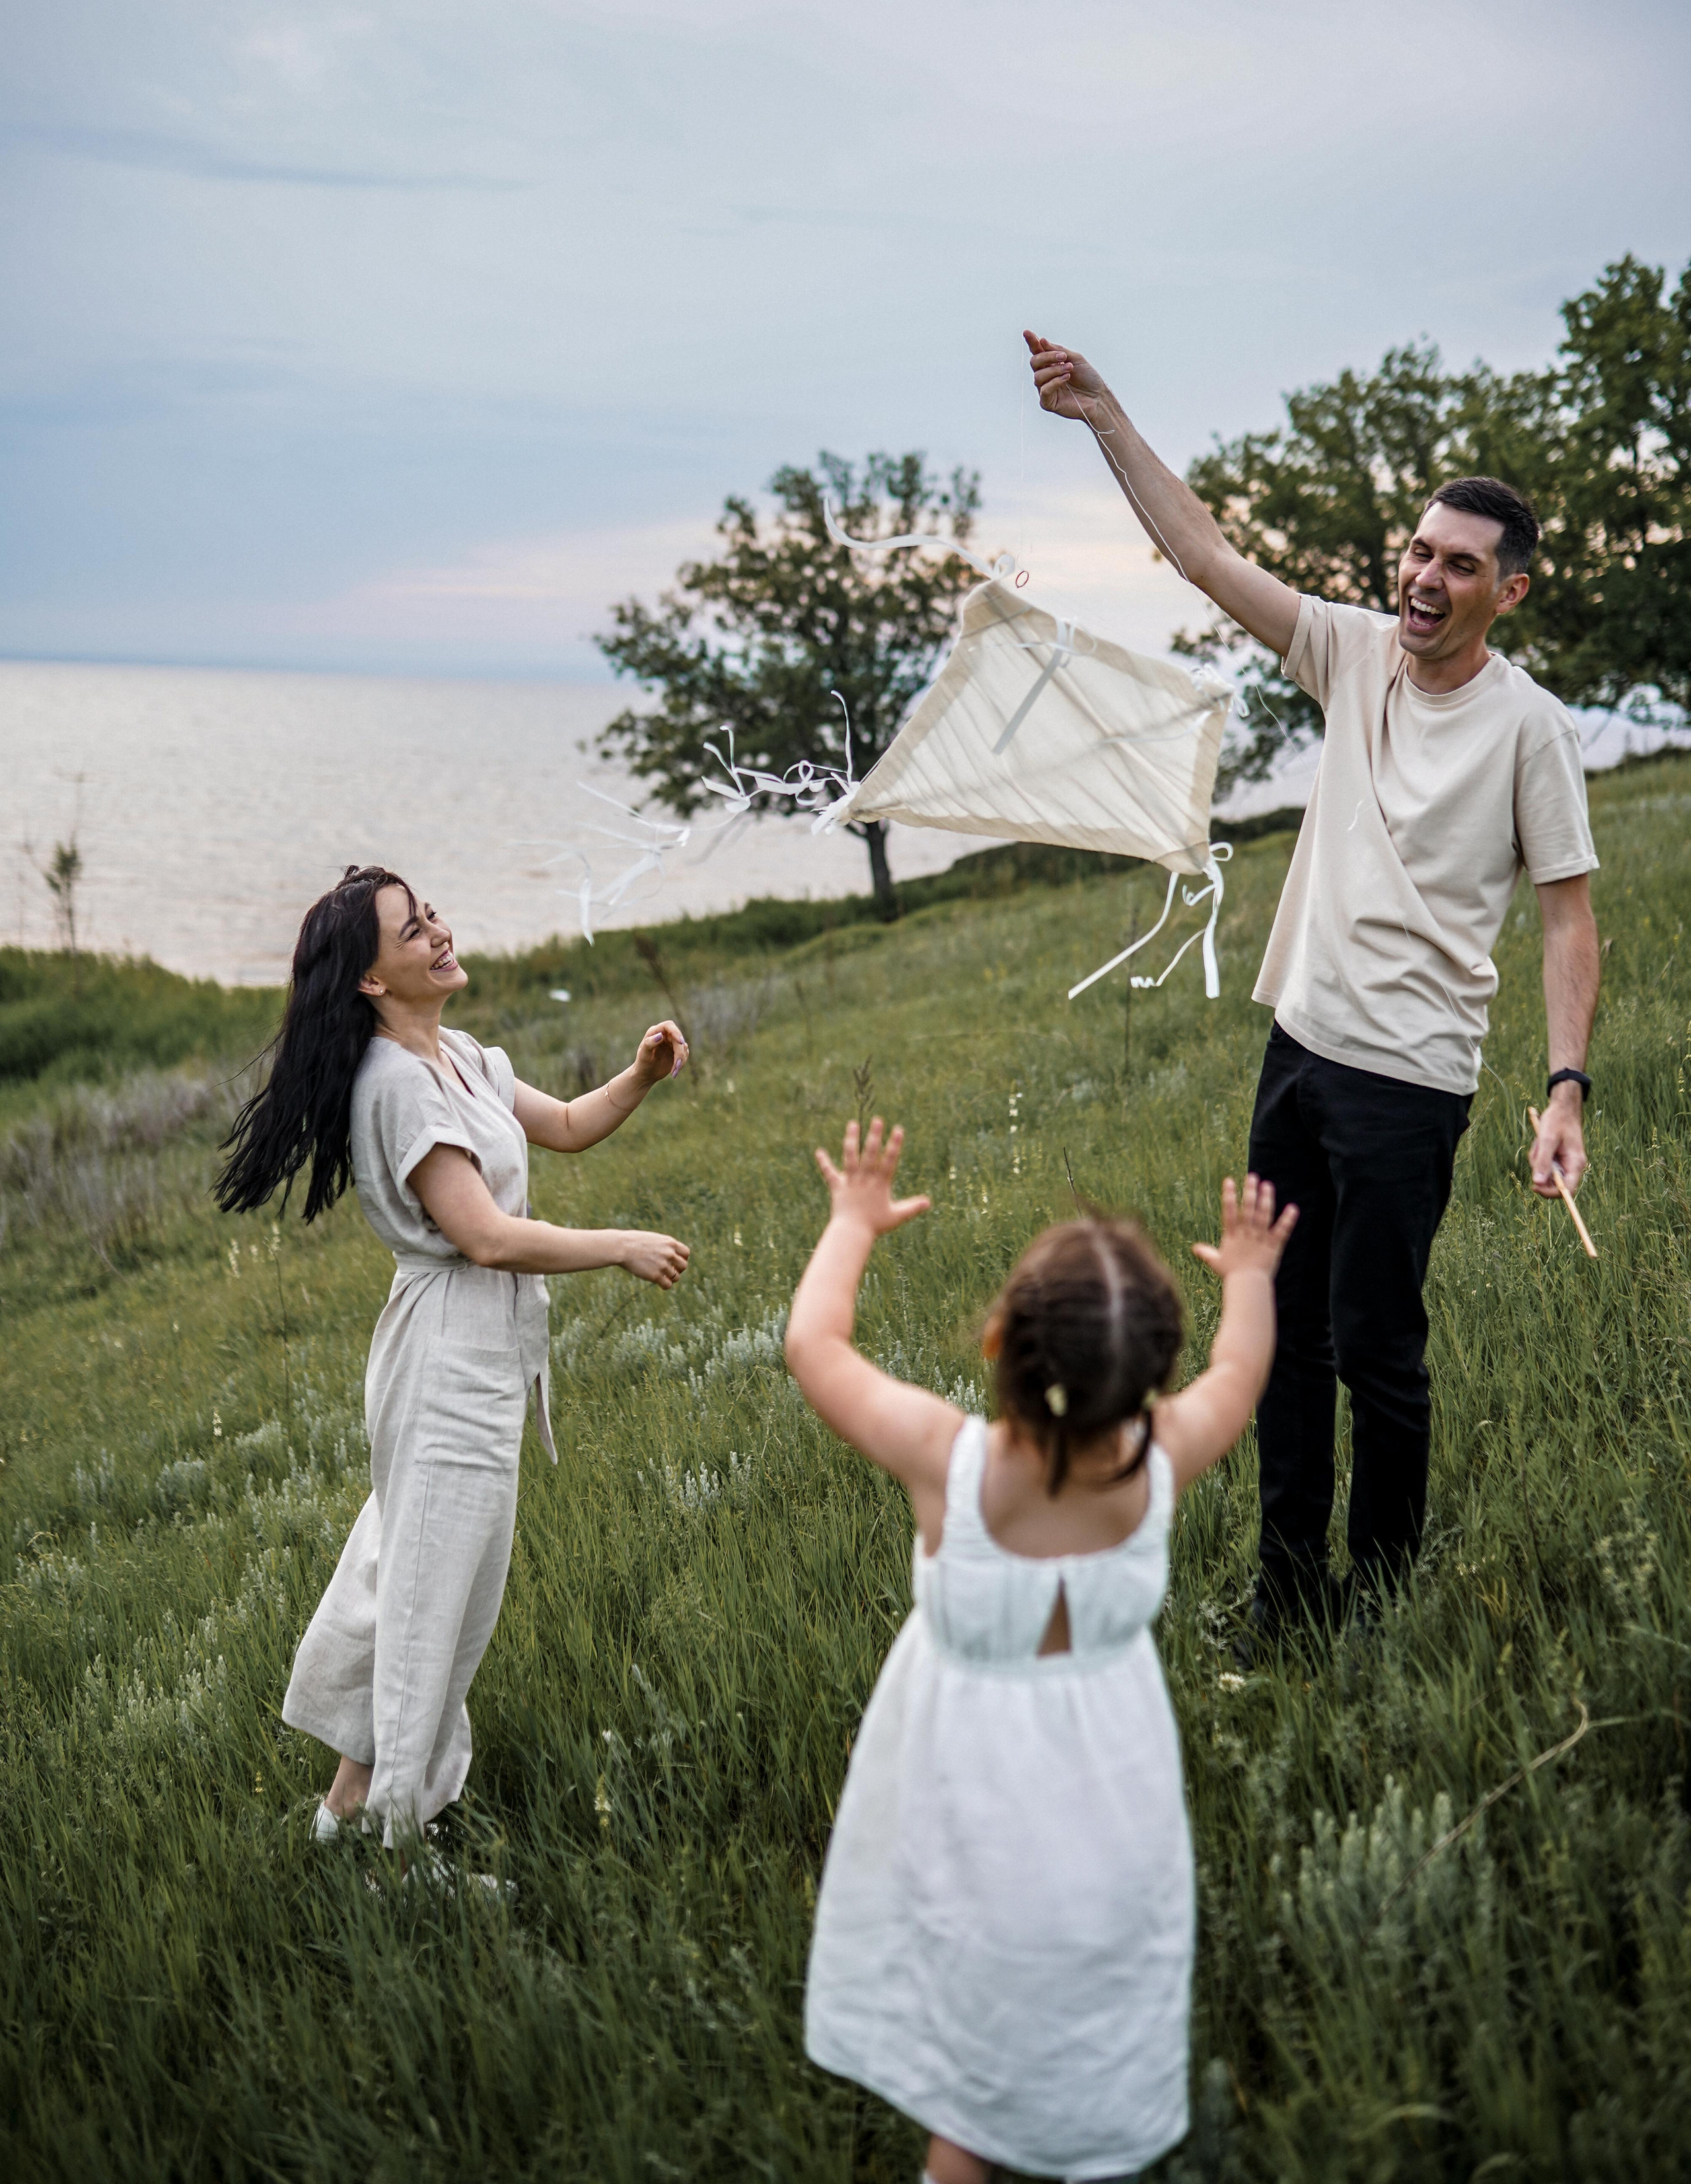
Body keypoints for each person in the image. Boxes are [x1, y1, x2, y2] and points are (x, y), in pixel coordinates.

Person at [1025, 330, 1601, 1637]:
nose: (1424, 578)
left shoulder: (1532, 730)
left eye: (1459, 565)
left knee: (1376, 1351)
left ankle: (1379, 1601)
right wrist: (1102, 411)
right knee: (1279, 1334)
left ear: (1506, 593)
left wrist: (1564, 1087)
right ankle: (1286, 1595)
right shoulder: (1347, 652)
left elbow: (1567, 920)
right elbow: (1203, 556)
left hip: (1409, 1081)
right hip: (1296, 1053)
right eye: (1419, 552)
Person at [789, 1116, 1296, 2184]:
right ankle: (1088, 2137)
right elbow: (1243, 1371)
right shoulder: (1160, 1458)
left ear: (998, 1344)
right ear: (1155, 1371)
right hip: (1110, 1797)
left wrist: (853, 1222)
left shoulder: (950, 1465)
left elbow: (815, 1348)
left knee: (974, 2004)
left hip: (965, 1799)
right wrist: (1251, 1274)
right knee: (1093, 1987)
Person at [216, 863, 690, 1850]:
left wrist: (640, 1076)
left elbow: (567, 1127)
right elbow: (484, 1236)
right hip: (443, 1363)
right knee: (431, 1611)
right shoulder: (394, 1085)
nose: (438, 933)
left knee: (419, 1589)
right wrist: (618, 1245)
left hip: (478, 1354)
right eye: (412, 931)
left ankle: (343, 1817)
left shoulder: (460, 1056)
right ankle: (397, 1854)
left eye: (431, 914)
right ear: (372, 980)